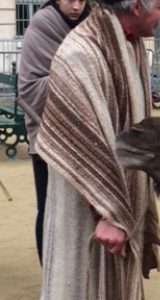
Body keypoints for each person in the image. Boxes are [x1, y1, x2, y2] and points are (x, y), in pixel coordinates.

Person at [35, 0, 160, 298]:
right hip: (89, 213)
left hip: (121, 207)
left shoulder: (131, 46)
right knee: (83, 285)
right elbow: (78, 142)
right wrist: (108, 212)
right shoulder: (80, 52)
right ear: (135, 5)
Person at [17, 0, 91, 264]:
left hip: (88, 140)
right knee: (49, 210)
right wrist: (78, 69)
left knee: (83, 213)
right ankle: (49, 271)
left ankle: (78, 271)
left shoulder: (92, 22)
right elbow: (28, 90)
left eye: (82, 0)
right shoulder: (43, 24)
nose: (76, 6)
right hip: (48, 137)